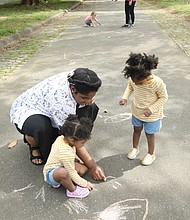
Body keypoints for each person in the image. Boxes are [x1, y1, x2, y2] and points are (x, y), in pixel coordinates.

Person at [10, 68, 106, 180]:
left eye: (91, 97)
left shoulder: (79, 79)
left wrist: (86, 102)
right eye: (84, 97)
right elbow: (71, 134)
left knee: (91, 107)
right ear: (73, 88)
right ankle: (35, 145)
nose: (88, 100)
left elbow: (75, 129)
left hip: (50, 109)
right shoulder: (60, 100)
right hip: (28, 110)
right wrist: (92, 166)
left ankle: (68, 145)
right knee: (41, 128)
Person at [119, 53, 168, 165]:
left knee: (150, 134)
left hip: (152, 115)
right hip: (137, 111)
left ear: (146, 76)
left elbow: (163, 97)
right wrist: (125, 98)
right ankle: (135, 148)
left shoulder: (157, 83)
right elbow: (130, 87)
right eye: (134, 81)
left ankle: (151, 154)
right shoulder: (134, 78)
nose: (136, 84)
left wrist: (151, 109)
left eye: (139, 83)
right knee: (136, 130)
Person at [43, 115, 94, 198]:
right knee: (63, 173)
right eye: (82, 143)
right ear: (72, 140)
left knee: (83, 169)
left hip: (61, 164)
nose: (83, 145)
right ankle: (72, 190)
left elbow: (59, 155)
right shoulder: (65, 152)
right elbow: (71, 172)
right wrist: (85, 183)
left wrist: (72, 160)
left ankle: (65, 181)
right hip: (51, 173)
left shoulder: (62, 138)